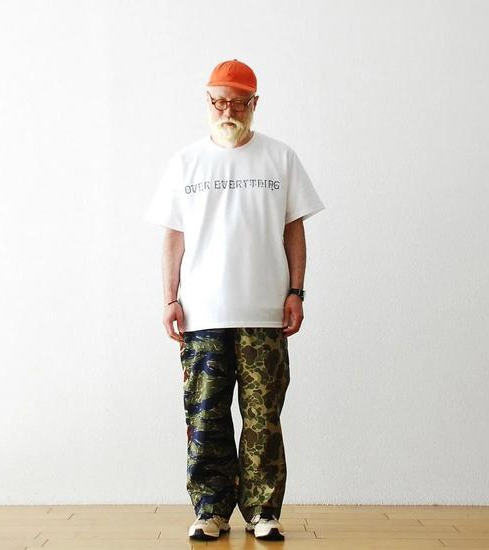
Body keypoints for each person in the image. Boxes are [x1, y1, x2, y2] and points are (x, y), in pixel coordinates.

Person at [144, 59, 325, 541]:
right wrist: (169, 298)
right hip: (201, 313)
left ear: (254, 104)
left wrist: (296, 291)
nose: (229, 111)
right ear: (207, 102)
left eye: (239, 103)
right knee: (206, 417)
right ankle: (211, 510)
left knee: (263, 419)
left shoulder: (280, 158)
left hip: (265, 312)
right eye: (220, 102)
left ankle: (263, 512)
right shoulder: (186, 163)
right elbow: (173, 237)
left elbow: (294, 230)